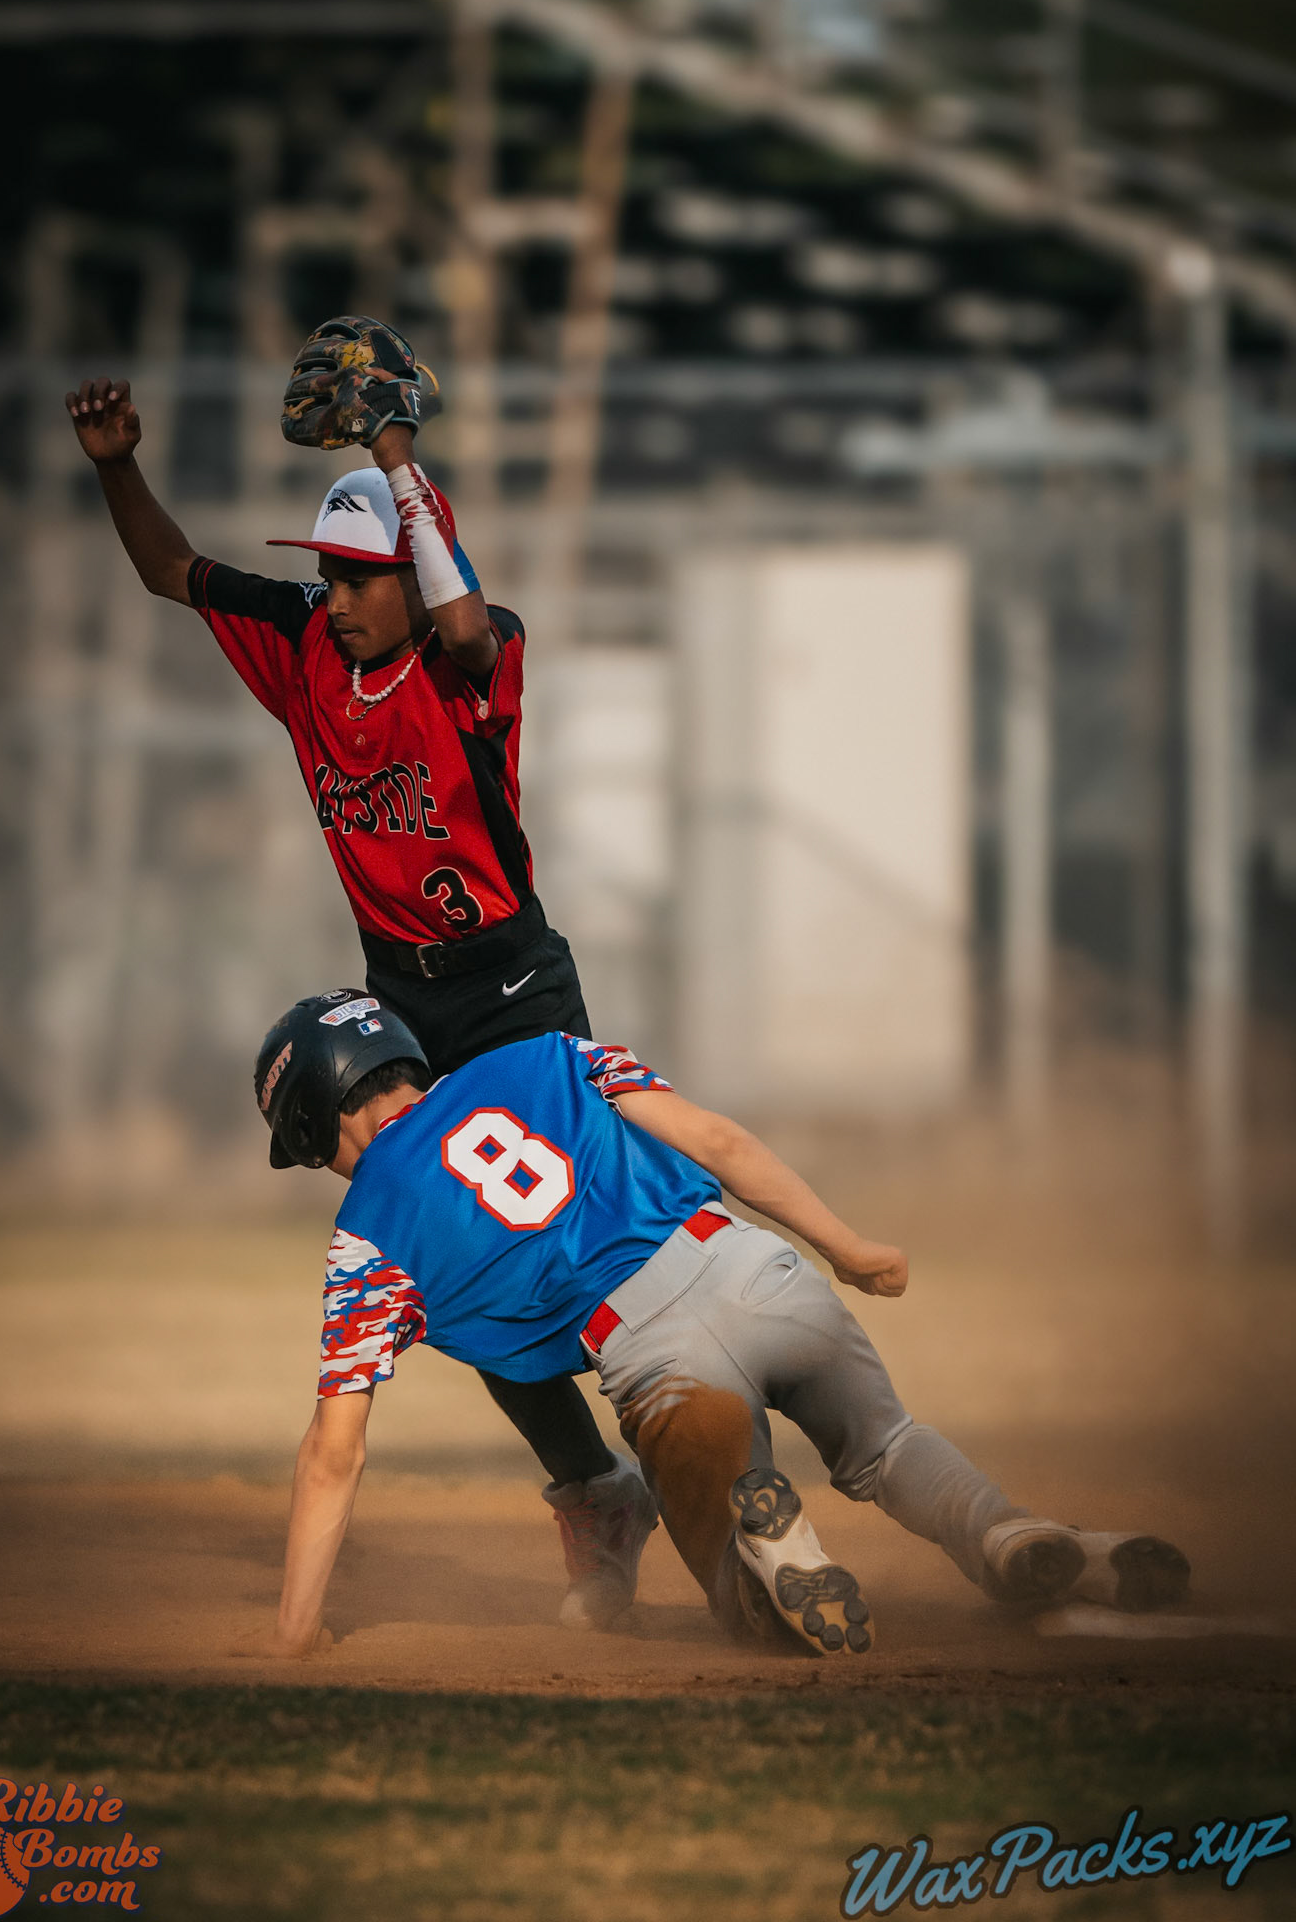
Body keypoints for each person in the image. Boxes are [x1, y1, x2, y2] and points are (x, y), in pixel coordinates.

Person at [63, 318, 651, 1631]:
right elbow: (172, 571)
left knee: (585, 1245)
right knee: (460, 1273)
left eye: (353, 577)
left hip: (514, 987)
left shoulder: (469, 657)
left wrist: (394, 447)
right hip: (407, 1005)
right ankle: (593, 1489)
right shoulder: (307, 652)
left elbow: (455, 609)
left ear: (405, 569)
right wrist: (115, 466)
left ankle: (716, 1463)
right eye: (325, 576)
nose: (332, 598)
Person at [245, 992, 1191, 1659]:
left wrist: (295, 1627)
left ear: (315, 1125)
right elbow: (720, 1143)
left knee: (739, 1615)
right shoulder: (543, 1055)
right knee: (887, 1445)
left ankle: (774, 1553)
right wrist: (846, 1246)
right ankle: (1008, 1536)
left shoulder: (366, 1235)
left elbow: (335, 1451)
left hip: (659, 1356)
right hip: (756, 1266)